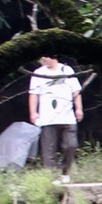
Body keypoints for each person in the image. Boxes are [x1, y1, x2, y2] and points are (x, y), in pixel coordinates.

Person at [28, 54, 83, 182]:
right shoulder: (38, 73)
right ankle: (53, 177)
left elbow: (76, 92)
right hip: (47, 117)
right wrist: (33, 112)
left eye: (46, 56)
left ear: (54, 56)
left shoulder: (66, 70)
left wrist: (79, 109)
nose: (43, 59)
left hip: (67, 115)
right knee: (49, 149)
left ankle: (64, 171)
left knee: (71, 145)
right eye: (41, 57)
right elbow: (33, 94)